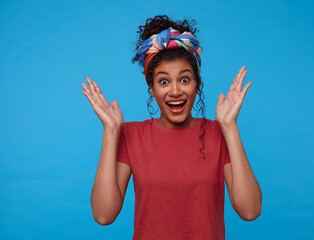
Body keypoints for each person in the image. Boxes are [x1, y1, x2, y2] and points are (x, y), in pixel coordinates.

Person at [81, 15, 262, 240]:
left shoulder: (219, 133)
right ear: (152, 88)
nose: (175, 91)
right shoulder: (130, 135)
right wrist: (110, 132)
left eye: (184, 79)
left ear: (197, 84)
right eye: (164, 81)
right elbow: (103, 215)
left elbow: (250, 210)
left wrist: (230, 127)